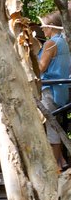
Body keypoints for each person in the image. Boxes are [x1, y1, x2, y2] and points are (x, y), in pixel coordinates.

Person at [38, 11, 70, 168]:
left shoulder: (51, 43)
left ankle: (55, 166)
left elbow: (41, 67)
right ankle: (61, 160)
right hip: (62, 89)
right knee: (54, 123)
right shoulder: (65, 42)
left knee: (51, 126)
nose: (42, 30)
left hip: (49, 88)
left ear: (51, 27)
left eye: (44, 26)